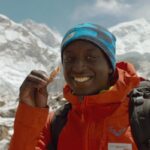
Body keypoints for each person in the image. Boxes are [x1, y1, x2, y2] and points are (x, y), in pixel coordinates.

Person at [9, 23, 141, 150]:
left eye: (91, 57)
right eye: (69, 59)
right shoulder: (54, 123)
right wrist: (30, 113)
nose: (78, 68)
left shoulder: (142, 116)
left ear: (110, 66)